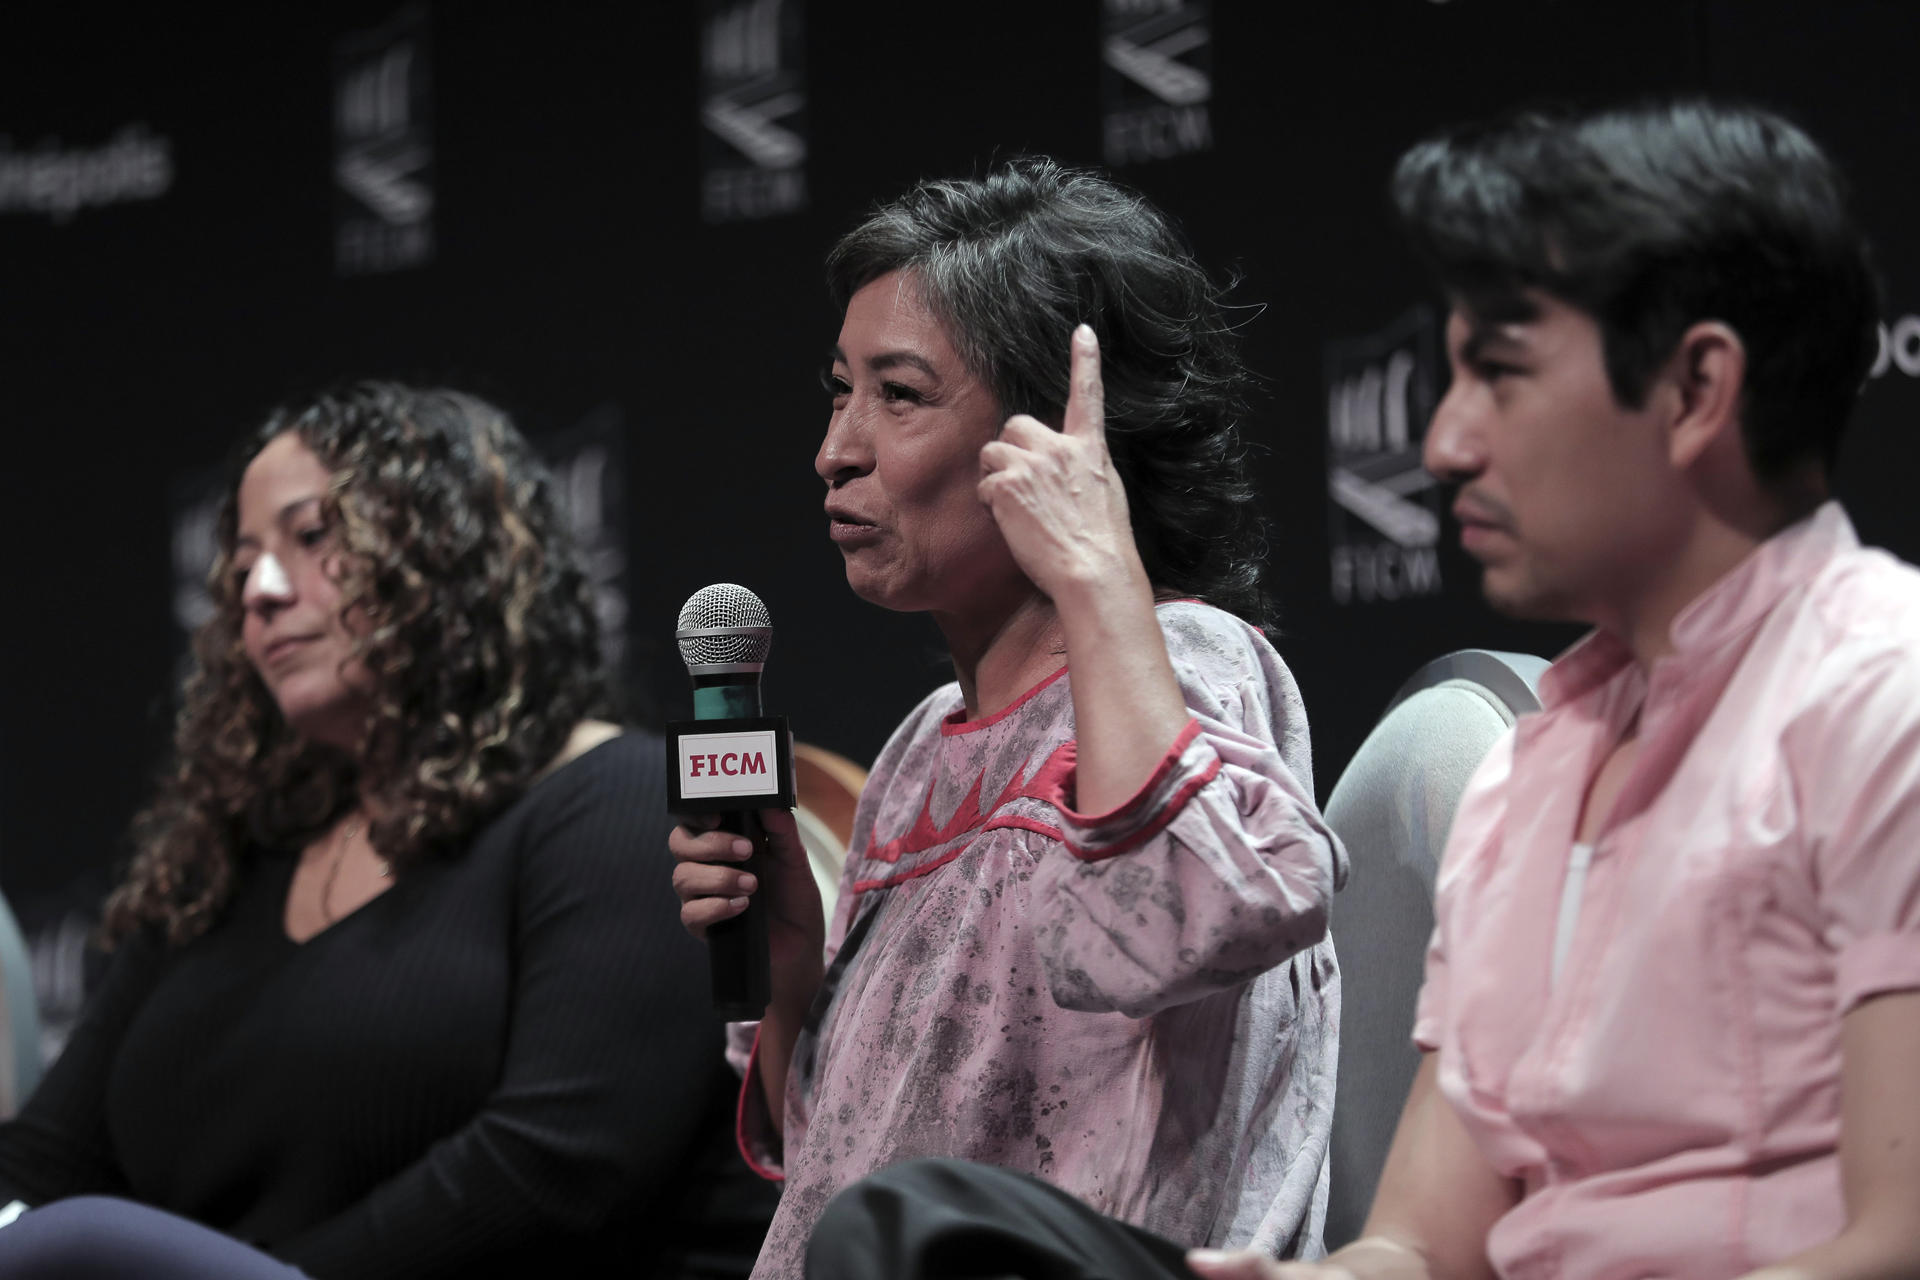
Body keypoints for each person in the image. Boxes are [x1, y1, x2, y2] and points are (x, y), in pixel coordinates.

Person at [1186, 100, 1920, 1279]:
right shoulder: (1529, 772)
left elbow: (1899, 1242)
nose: (1442, 443)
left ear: (1695, 390)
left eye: (1500, 374)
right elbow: (1426, 1239)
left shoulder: (1888, 701)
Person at [670, 157, 1347, 1280]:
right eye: (840, 389)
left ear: (1056, 442)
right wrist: (792, 969)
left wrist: (1096, 571)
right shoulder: (923, 743)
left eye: (899, 394)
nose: (835, 448)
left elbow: (1198, 916)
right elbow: (842, 1167)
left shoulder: (1189, 661)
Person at [0, 384, 768, 1278]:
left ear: (449, 553)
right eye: (242, 561)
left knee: (72, 1248)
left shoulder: (615, 797)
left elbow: (557, 1171)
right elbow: (44, 1159)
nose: (260, 589)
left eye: (313, 537)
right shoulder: (230, 858)